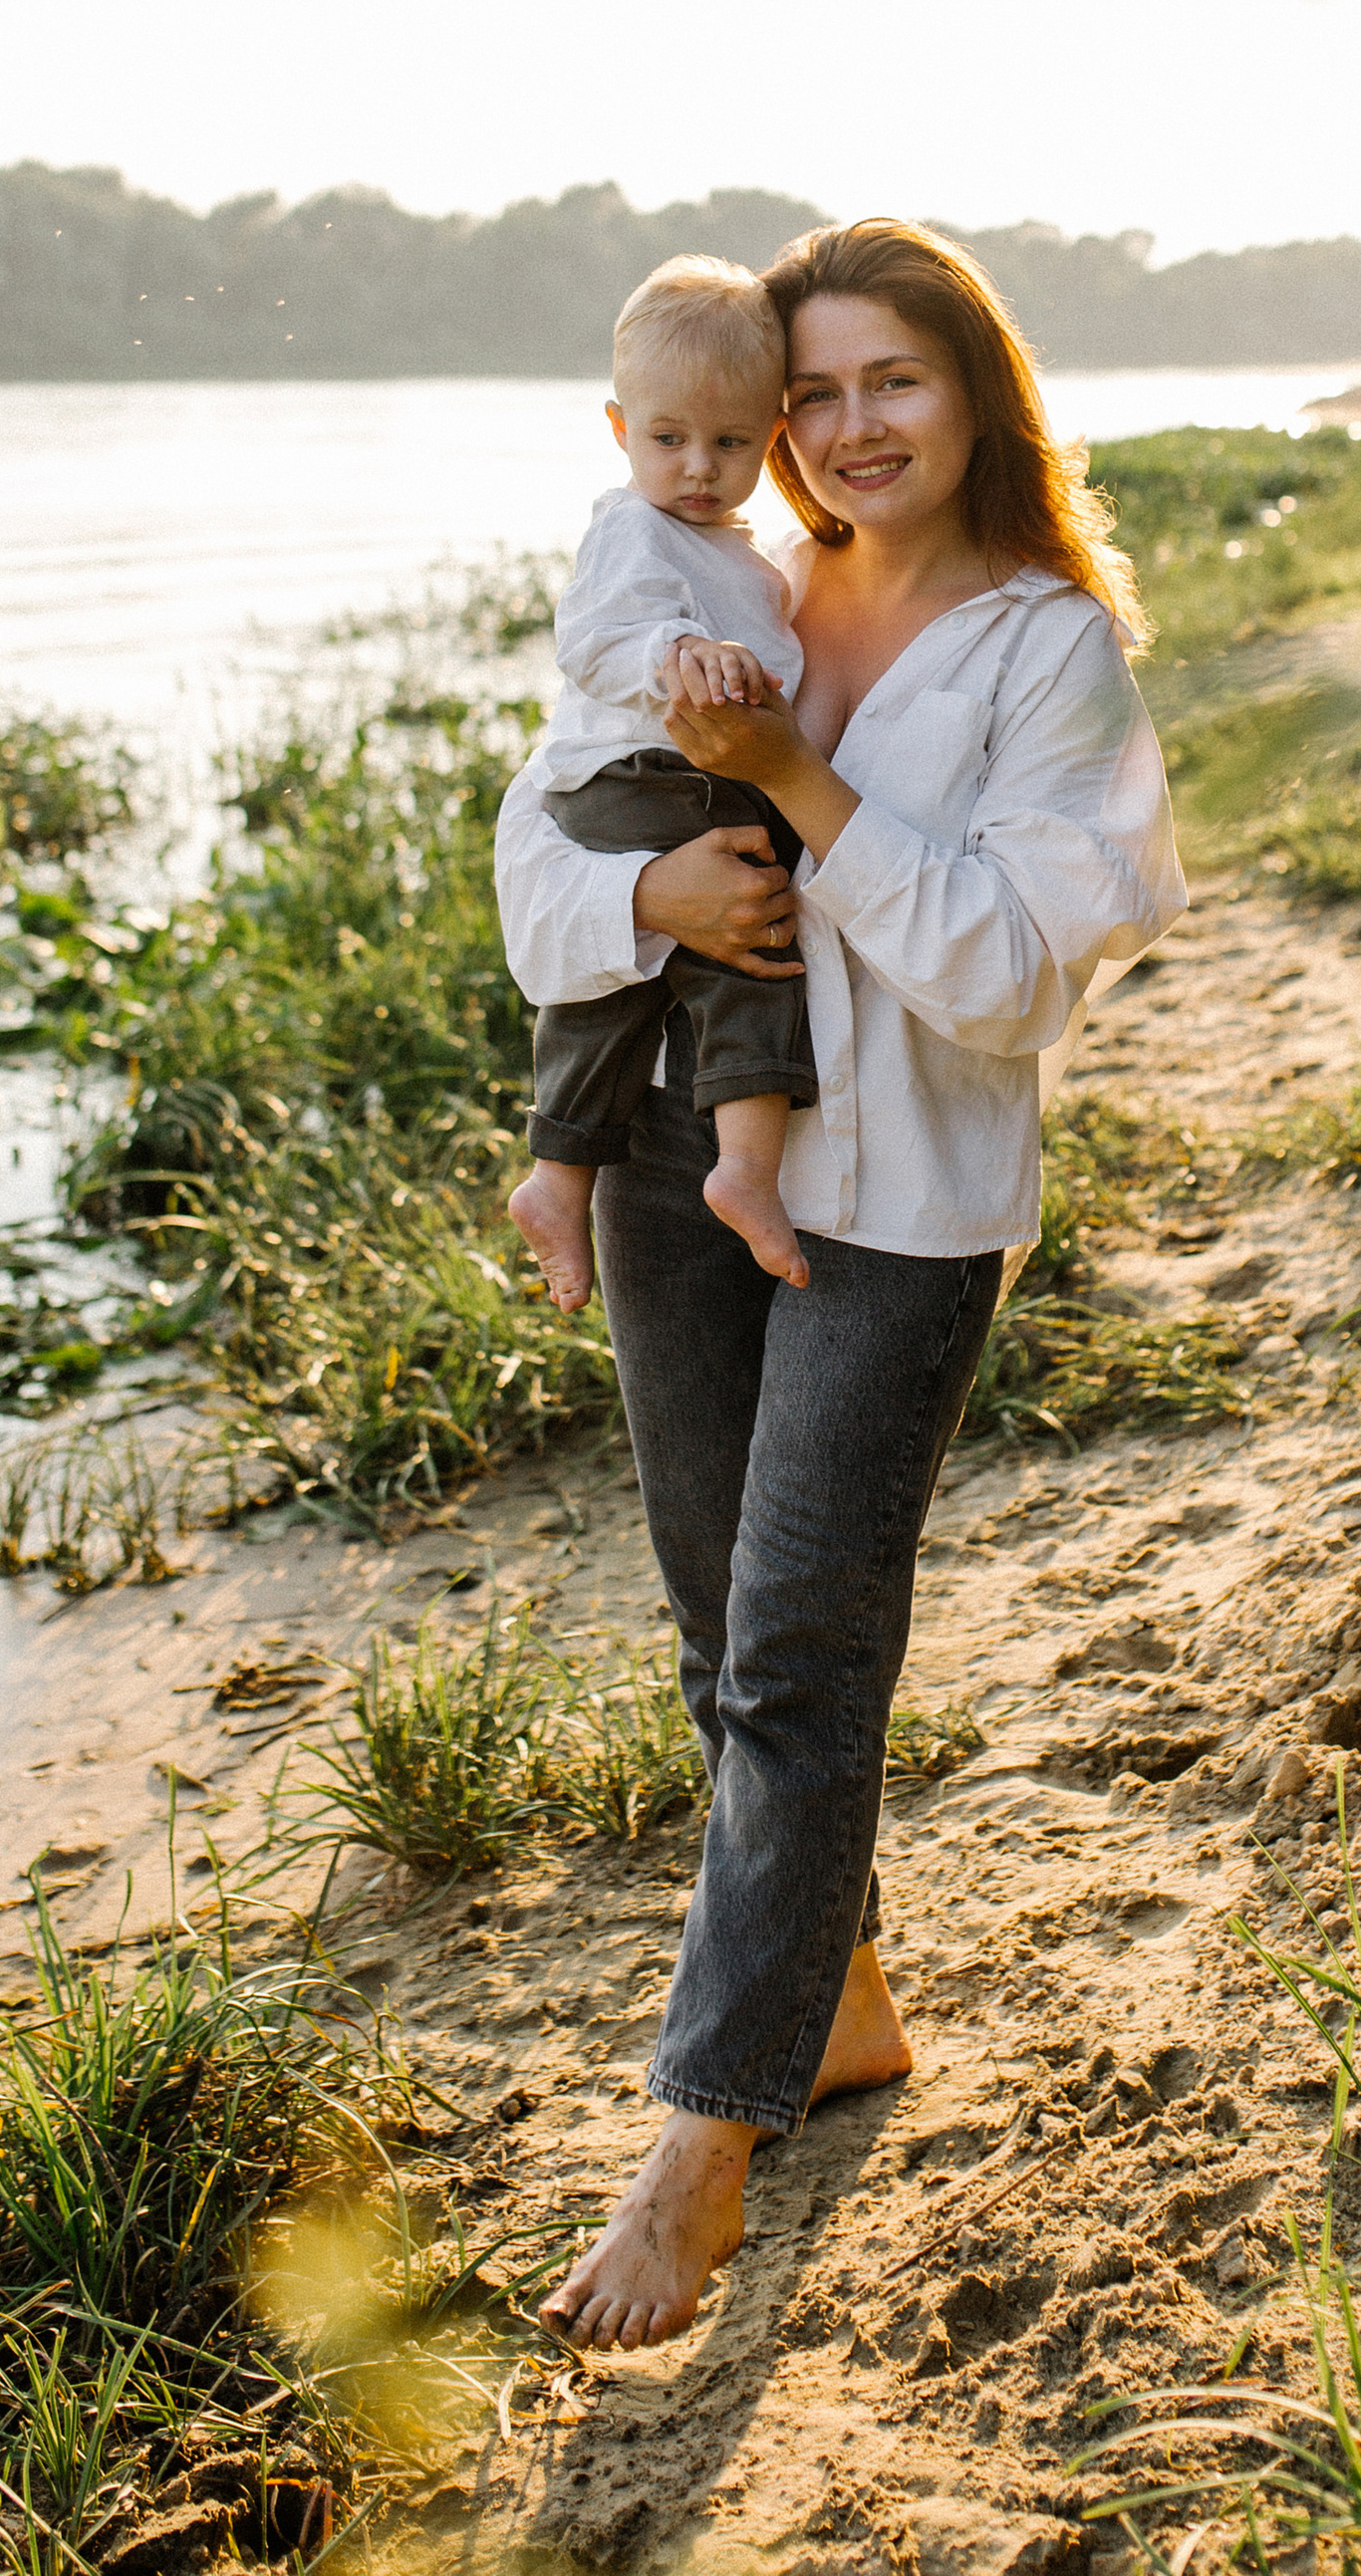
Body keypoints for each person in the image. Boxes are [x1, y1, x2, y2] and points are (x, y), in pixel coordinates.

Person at [493, 215, 1185, 2353]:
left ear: (976, 392)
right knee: (724, 1648)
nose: (845, 425)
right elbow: (538, 873)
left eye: (892, 380)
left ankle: (699, 2145)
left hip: (903, 1214)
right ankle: (845, 2006)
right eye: (814, 391)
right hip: (671, 1183)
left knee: (796, 1654)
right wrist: (653, 892)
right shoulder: (742, 595)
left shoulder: (1043, 650)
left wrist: (797, 790)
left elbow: (1001, 980)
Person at [507, 258, 817, 1309]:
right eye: (667, 438)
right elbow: (596, 635)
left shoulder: (743, 553)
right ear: (618, 428)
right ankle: (746, 1166)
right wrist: (676, 652)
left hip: (661, 785)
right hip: (644, 776)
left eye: (730, 443)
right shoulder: (632, 529)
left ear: (772, 438)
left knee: (615, 999)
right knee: (753, 951)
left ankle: (558, 1175)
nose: (696, 467)